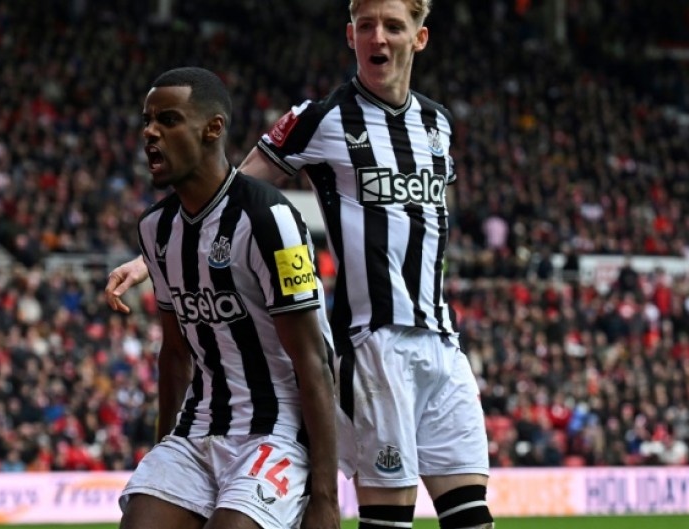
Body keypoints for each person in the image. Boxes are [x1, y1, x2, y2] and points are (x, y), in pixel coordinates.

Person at [107, 2, 495, 528]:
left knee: (471, 516)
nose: (376, 37)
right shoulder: (321, 118)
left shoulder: (438, 124)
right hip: (373, 342)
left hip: (441, 342)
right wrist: (151, 261)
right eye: (365, 26)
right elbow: (227, 194)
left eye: (392, 26)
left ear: (419, 38)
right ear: (350, 36)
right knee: (390, 518)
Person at [117, 67, 339, 529]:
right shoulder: (155, 230)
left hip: (275, 433)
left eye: (169, 120)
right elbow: (175, 351)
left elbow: (314, 362)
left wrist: (325, 498)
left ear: (212, 128)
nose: (150, 133)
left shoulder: (269, 219)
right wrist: (164, 456)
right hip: (199, 428)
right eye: (147, 120)